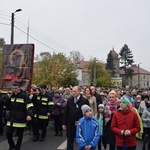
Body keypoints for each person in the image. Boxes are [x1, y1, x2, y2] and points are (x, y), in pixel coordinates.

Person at [5, 82, 33, 150]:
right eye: (13, 88)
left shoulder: (24, 96)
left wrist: (29, 115)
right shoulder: (12, 95)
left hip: (20, 118)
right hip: (11, 117)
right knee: (8, 133)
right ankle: (12, 145)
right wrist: (8, 97)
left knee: (20, 135)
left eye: (15, 88)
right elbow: (7, 105)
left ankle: (17, 147)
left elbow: (30, 106)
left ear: (19, 88)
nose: (14, 90)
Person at [62, 86, 89, 150]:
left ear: (79, 92)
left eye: (74, 91)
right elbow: (66, 112)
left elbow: (87, 113)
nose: (73, 93)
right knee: (70, 141)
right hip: (70, 124)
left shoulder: (84, 100)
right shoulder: (70, 100)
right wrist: (64, 123)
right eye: (72, 91)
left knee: (81, 141)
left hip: (80, 124)